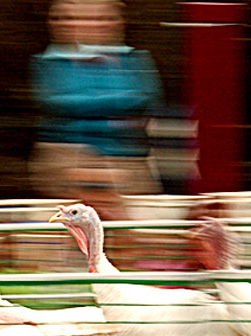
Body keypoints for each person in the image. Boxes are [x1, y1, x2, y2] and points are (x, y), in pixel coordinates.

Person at [30, 0, 162, 199]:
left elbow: (144, 99)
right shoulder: (50, 61)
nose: (97, 25)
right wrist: (116, 107)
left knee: (138, 200)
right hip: (68, 153)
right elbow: (57, 102)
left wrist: (92, 104)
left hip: (126, 155)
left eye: (105, 19)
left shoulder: (134, 58)